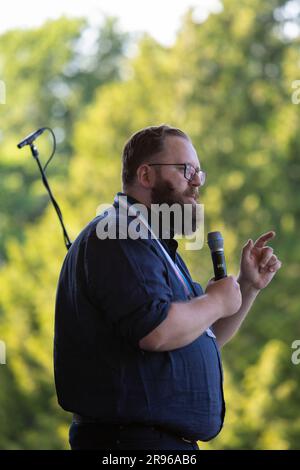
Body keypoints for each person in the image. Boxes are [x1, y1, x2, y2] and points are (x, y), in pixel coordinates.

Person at [54, 124, 282, 450]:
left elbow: (202, 335)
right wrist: (215, 301)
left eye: (199, 174)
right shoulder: (118, 234)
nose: (197, 182)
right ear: (145, 176)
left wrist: (247, 286)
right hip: (128, 445)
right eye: (186, 170)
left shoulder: (154, 244)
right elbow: (157, 331)